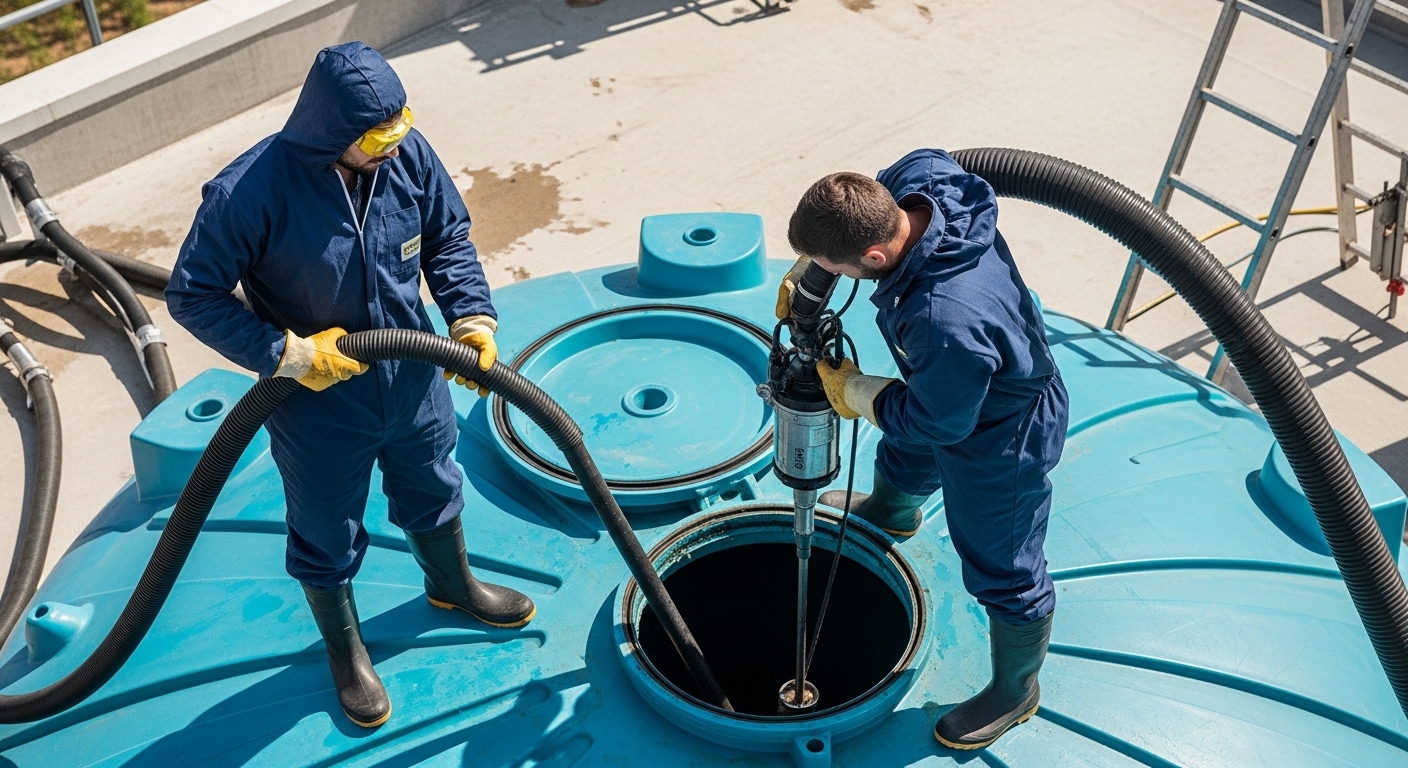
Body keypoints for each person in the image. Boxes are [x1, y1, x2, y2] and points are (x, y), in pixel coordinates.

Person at [167, 42, 534, 729]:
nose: (393, 149)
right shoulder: (248, 193)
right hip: (317, 401)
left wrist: (472, 316)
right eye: (376, 140)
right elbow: (194, 294)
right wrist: (284, 353)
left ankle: (452, 586)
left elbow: (447, 236)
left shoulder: (408, 155)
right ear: (332, 136)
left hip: (414, 377)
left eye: (399, 132)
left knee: (433, 481)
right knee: (325, 527)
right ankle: (346, 651)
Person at [779, 149, 1067, 749]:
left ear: (876, 257)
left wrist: (858, 393)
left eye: (832, 266)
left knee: (1003, 565)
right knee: (904, 455)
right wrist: (815, 274)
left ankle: (1016, 690)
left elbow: (940, 424)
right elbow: (914, 169)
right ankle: (891, 512)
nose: (824, 272)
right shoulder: (923, 183)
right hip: (955, 387)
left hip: (1002, 430)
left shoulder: (943, 320)